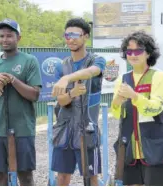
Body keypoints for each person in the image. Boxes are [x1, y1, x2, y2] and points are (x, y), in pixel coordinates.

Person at [0, 18, 42, 186]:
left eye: (9, 36)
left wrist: (13, 79)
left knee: (26, 177)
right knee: (0, 178)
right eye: (1, 36)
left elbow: (34, 95)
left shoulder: (29, 61)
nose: (5, 40)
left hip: (23, 130)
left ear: (18, 38)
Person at [109, 31, 163, 186]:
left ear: (148, 53)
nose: (133, 55)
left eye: (138, 50)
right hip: (128, 146)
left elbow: (156, 108)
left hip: (152, 144)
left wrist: (135, 96)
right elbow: (117, 113)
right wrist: (117, 101)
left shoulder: (158, 76)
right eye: (129, 51)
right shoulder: (123, 79)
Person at [51, 18, 106, 186]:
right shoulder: (62, 66)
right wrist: (72, 93)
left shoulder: (97, 60)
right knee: (61, 177)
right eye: (67, 35)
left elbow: (90, 72)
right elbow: (61, 100)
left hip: (87, 129)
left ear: (86, 36)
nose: (71, 39)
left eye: (75, 35)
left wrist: (68, 78)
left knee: (91, 178)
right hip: (64, 130)